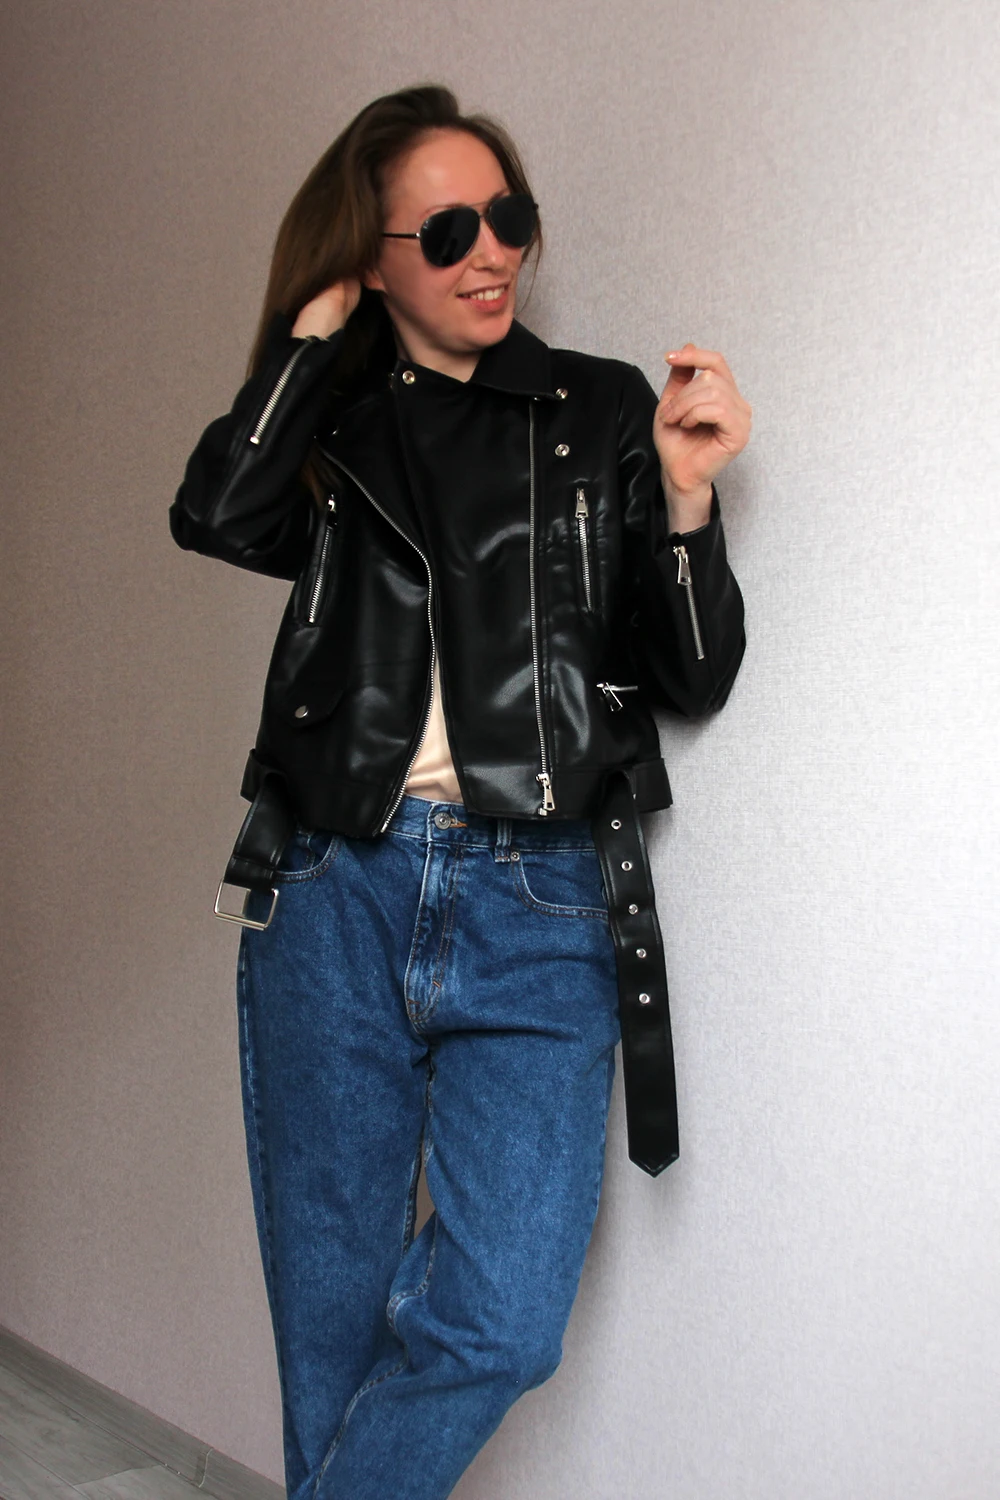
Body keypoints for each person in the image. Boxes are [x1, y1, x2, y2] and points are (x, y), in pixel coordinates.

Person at [170, 84, 749, 1500]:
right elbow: (219, 515)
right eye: (443, 232)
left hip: (540, 895)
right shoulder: (338, 421)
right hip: (334, 887)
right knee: (331, 1324)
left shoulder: (599, 410)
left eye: (508, 217)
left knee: (501, 1321)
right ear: (372, 262)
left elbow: (691, 674)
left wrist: (687, 500)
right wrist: (308, 343)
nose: (490, 252)